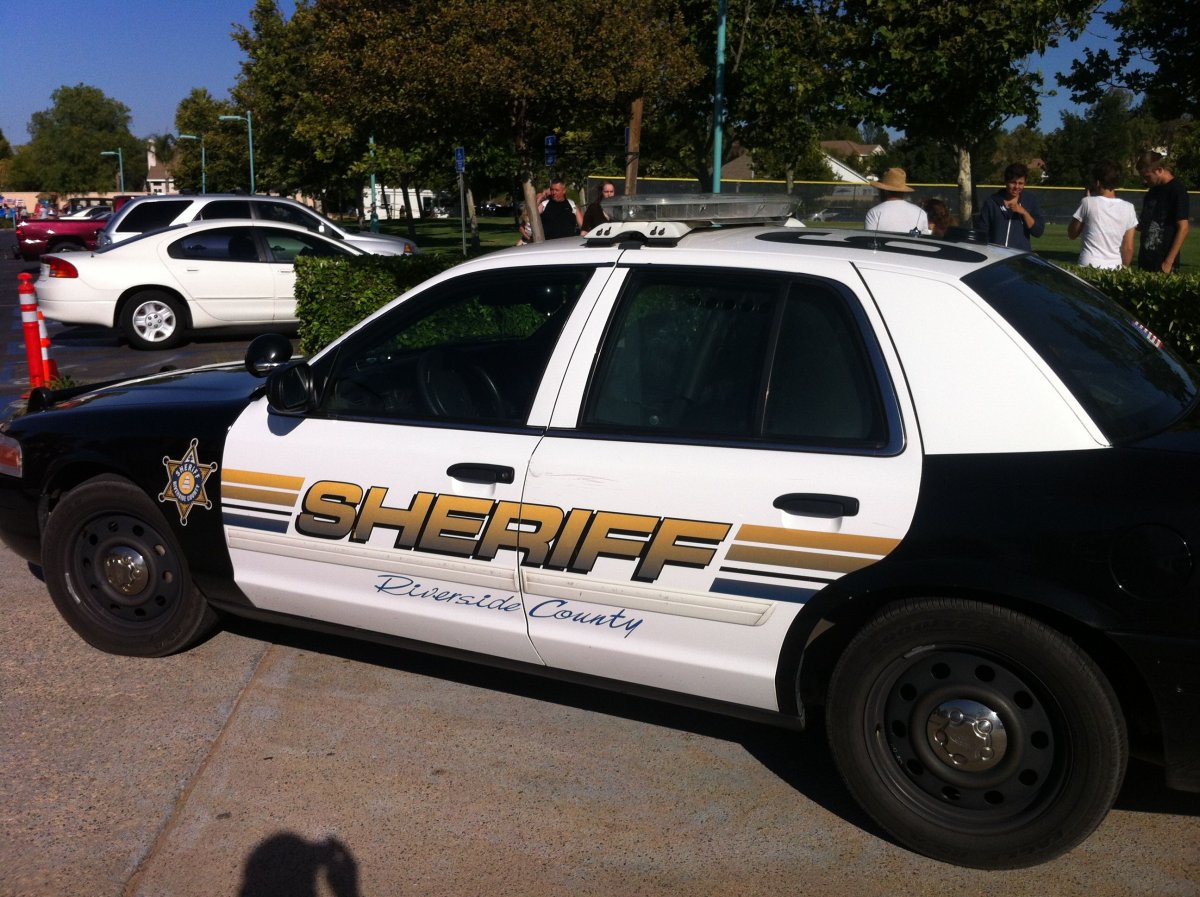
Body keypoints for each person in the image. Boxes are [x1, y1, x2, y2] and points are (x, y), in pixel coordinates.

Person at [1067, 161, 1139, 269]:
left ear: (1097, 182)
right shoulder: (1129, 207)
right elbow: (1128, 248)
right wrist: (1124, 269)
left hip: (1088, 264)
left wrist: (1085, 200)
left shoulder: (1087, 203)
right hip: (1114, 266)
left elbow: (1072, 234)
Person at [1136, 151, 1190, 273]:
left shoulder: (1177, 190)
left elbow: (1184, 228)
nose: (1145, 181)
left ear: (1159, 170)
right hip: (1145, 261)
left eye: (1147, 176)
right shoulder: (1152, 192)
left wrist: (1168, 262)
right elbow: (1144, 225)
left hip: (1163, 262)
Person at [979, 162, 1045, 250]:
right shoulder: (991, 202)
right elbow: (982, 233)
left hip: (1019, 259)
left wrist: (1024, 213)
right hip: (995, 257)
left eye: (1020, 183)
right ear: (1006, 181)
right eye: (1013, 182)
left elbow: (1038, 232)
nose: (1016, 187)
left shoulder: (1031, 200)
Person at [864, 168, 929, 235]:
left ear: (885, 191)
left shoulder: (874, 213)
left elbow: (869, 240)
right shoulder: (920, 213)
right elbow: (925, 241)